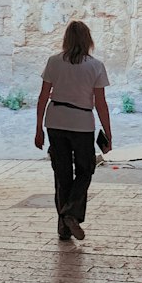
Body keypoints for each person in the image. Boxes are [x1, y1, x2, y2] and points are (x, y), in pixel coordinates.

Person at [34, 20, 111, 242]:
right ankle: (71, 213)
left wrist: (38, 128)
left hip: (55, 121)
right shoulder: (95, 66)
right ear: (88, 40)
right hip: (82, 123)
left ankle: (64, 227)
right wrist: (108, 132)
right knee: (85, 170)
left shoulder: (54, 62)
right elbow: (101, 103)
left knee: (62, 173)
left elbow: (42, 97)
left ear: (66, 39)